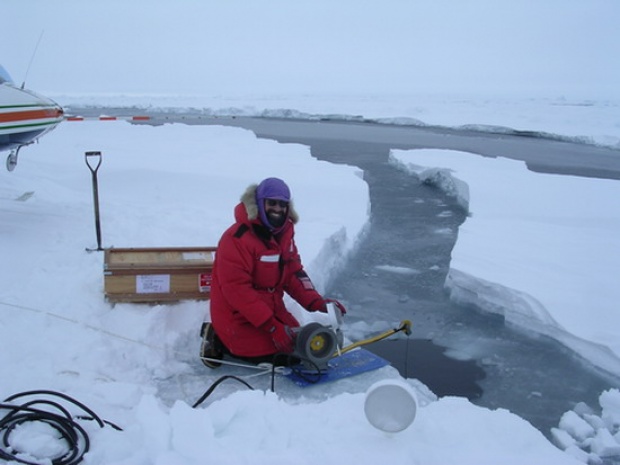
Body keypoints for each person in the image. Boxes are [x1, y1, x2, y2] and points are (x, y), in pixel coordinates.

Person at [200, 177, 346, 368]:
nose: (278, 209)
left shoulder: (284, 235)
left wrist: (317, 302)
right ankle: (217, 339)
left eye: (283, 204)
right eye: (272, 203)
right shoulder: (235, 239)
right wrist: (272, 326)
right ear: (259, 203)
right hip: (236, 315)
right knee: (285, 358)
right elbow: (237, 291)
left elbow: (293, 273)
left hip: (270, 310)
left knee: (298, 345)